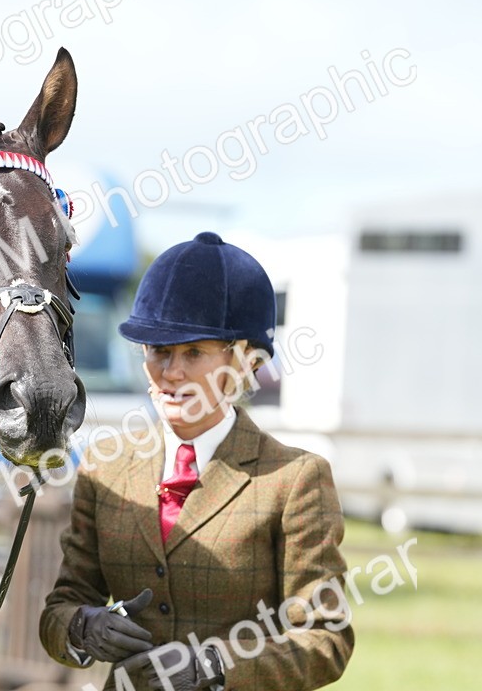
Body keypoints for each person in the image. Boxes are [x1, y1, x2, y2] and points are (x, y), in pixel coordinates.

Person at [39, 232, 353, 690]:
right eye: (158, 352)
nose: (171, 373)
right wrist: (83, 627)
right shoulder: (103, 470)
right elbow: (61, 608)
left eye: (194, 353)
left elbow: (326, 638)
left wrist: (217, 668)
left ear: (245, 361)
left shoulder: (295, 480)